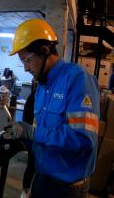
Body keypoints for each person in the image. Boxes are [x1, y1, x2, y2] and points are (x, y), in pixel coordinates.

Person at [7, 19, 100, 198]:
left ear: (45, 51)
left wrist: (33, 134)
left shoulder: (78, 79)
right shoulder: (42, 84)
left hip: (67, 188)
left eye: (27, 60)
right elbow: (45, 132)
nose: (25, 68)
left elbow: (83, 138)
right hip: (42, 178)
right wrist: (22, 137)